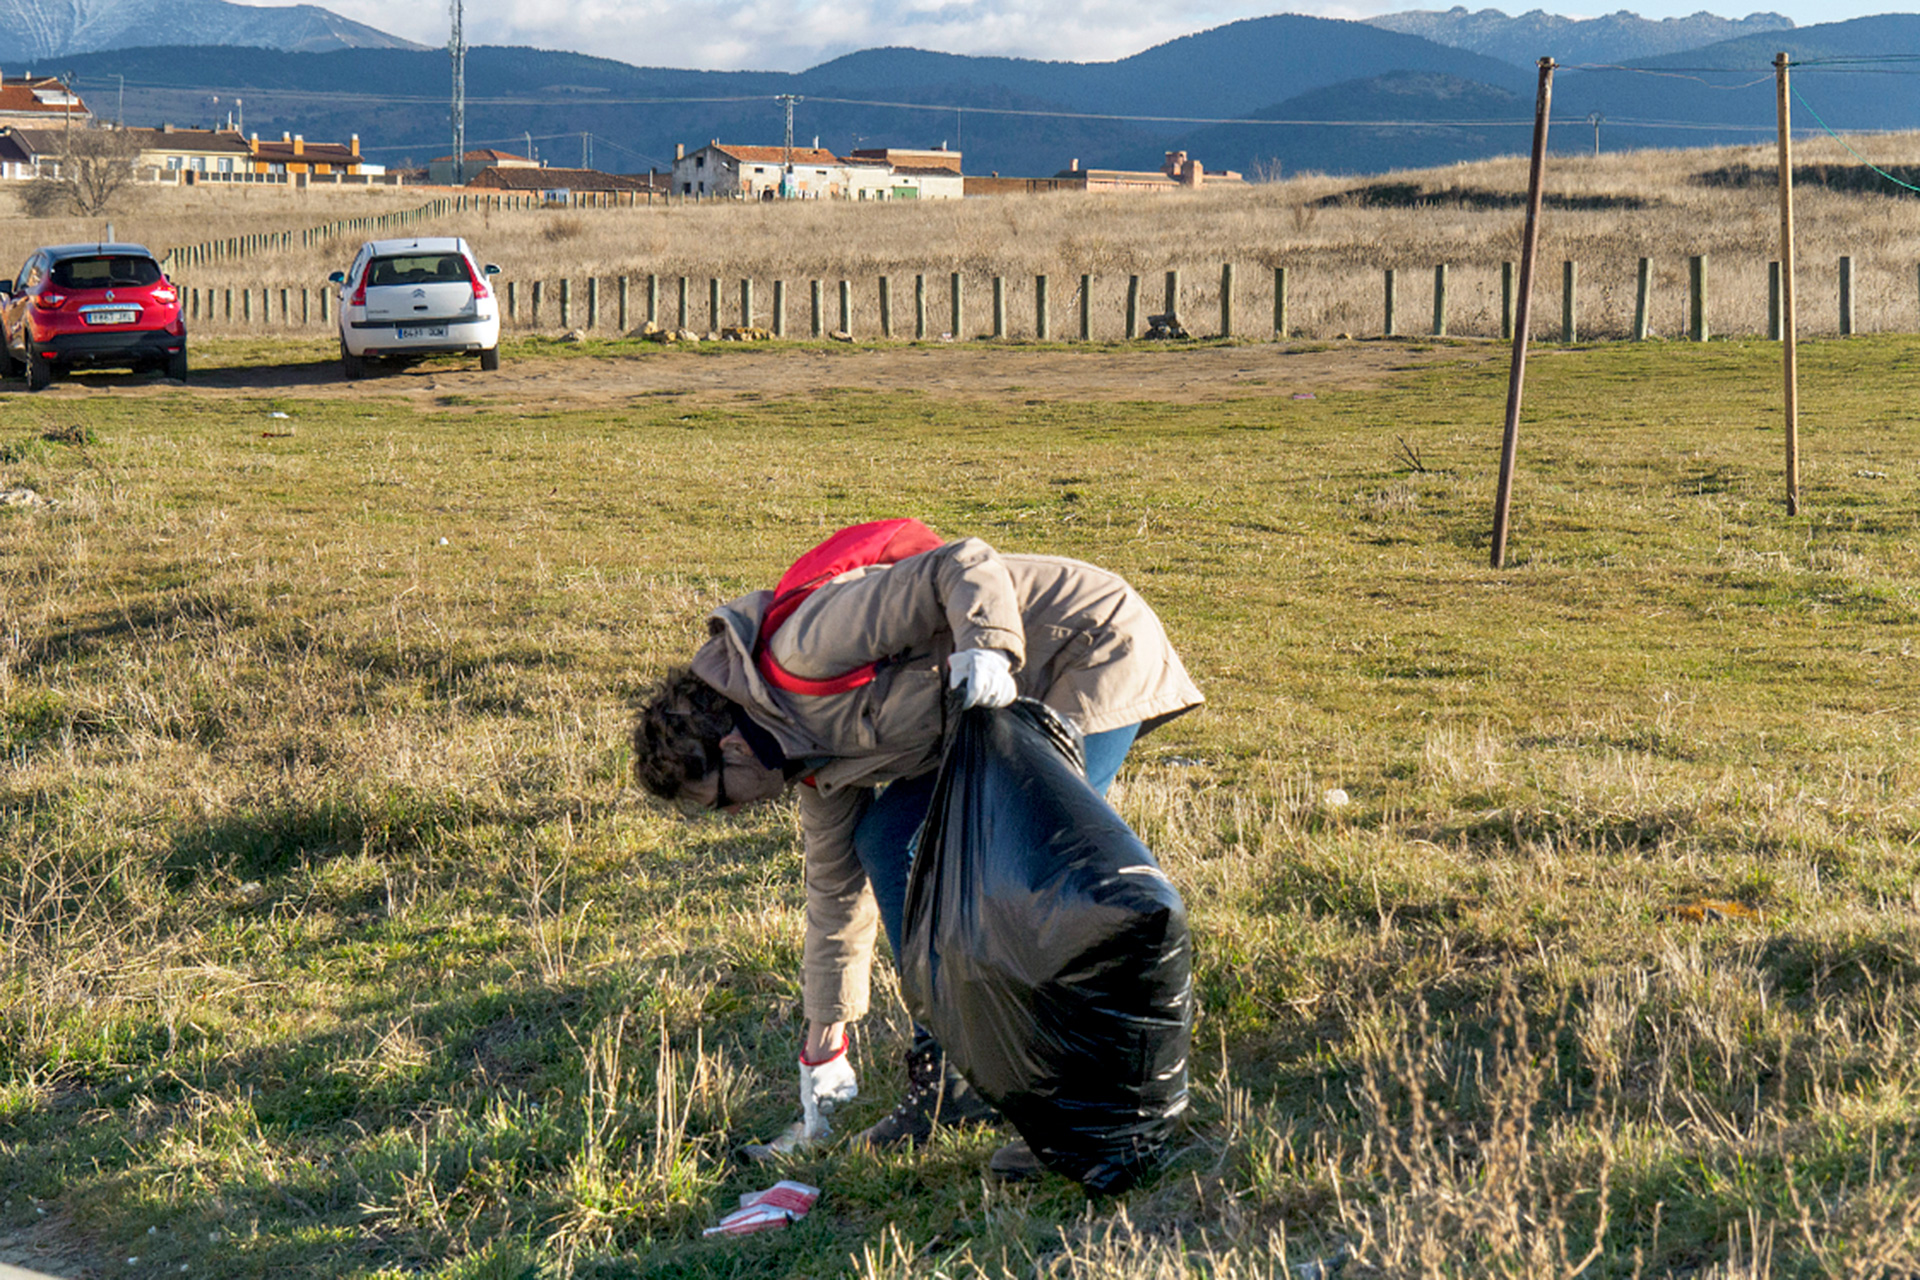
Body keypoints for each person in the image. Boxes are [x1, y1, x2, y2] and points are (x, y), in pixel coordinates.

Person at [631, 528, 1202, 1175]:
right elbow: (833, 901)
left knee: (1046, 883)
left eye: (719, 799)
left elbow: (960, 563)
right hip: (986, 718)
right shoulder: (813, 767)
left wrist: (988, 650)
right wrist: (825, 1041)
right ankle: (953, 1069)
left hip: (1076, 649)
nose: (734, 812)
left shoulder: (810, 648)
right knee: (885, 838)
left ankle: (1108, 1117)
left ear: (730, 748)